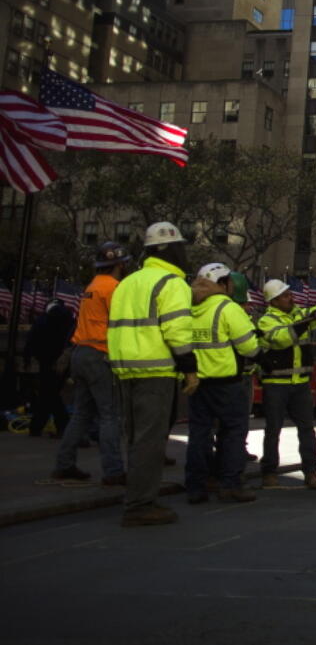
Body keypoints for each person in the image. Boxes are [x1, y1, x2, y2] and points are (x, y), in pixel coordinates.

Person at [108, 222, 199, 527]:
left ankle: (137, 496)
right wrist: (189, 370)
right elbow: (178, 332)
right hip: (155, 370)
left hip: (125, 369)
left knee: (136, 438)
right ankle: (140, 505)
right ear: (172, 250)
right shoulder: (172, 283)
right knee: (151, 440)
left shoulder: (128, 282)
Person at [50, 242, 130, 484]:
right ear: (120, 264)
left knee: (82, 414)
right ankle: (114, 471)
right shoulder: (115, 288)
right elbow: (120, 324)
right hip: (99, 353)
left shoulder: (93, 285)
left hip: (80, 353)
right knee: (110, 415)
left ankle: (64, 464)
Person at [185, 263, 261, 505]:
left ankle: (197, 487)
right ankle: (229, 485)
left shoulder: (190, 308)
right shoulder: (227, 307)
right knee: (232, 434)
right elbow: (249, 346)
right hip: (227, 383)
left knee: (199, 435)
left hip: (197, 382)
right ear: (223, 284)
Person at [257, 279, 316, 490]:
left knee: (307, 429)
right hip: (276, 384)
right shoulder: (267, 321)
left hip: (300, 384)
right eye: (285, 295)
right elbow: (283, 338)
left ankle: (311, 472)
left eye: (290, 294)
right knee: (273, 430)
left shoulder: (300, 314)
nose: (291, 297)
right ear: (274, 301)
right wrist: (308, 320)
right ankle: (269, 473)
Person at [23, 299, 76, 438]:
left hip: (46, 360)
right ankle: (56, 426)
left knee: (48, 394)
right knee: (50, 394)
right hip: (63, 361)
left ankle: (43, 426)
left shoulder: (43, 320)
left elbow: (31, 339)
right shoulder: (69, 320)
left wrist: (28, 357)